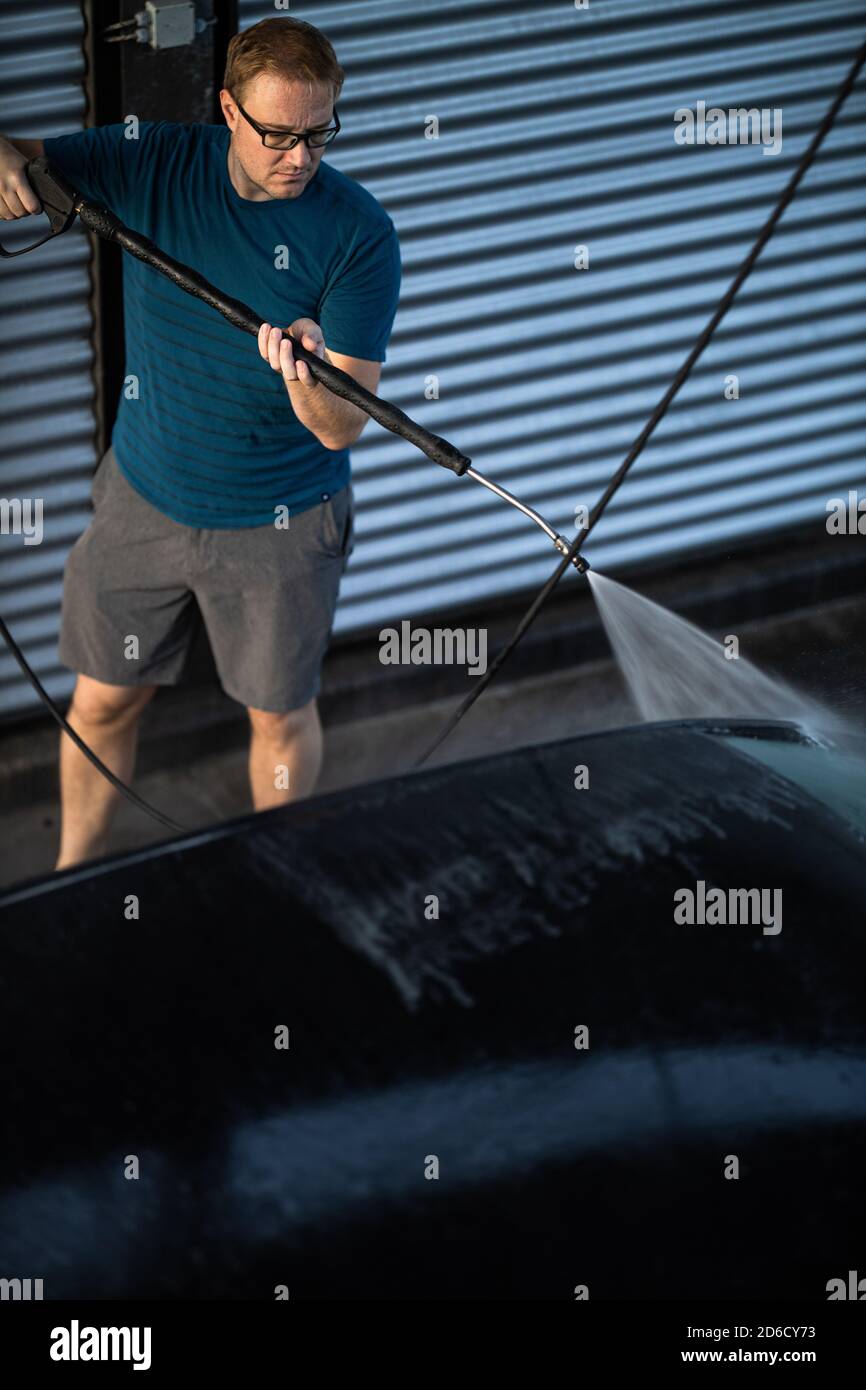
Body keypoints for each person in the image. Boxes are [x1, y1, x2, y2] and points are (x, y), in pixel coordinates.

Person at [0, 16, 401, 869]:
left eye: (319, 134)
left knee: (279, 717)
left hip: (282, 524)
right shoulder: (151, 159)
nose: (300, 157)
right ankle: (74, 881)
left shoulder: (360, 236)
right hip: (144, 496)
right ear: (227, 108)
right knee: (104, 703)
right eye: (278, 135)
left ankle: (286, 883)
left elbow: (343, 426)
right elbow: (18, 156)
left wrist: (308, 375)